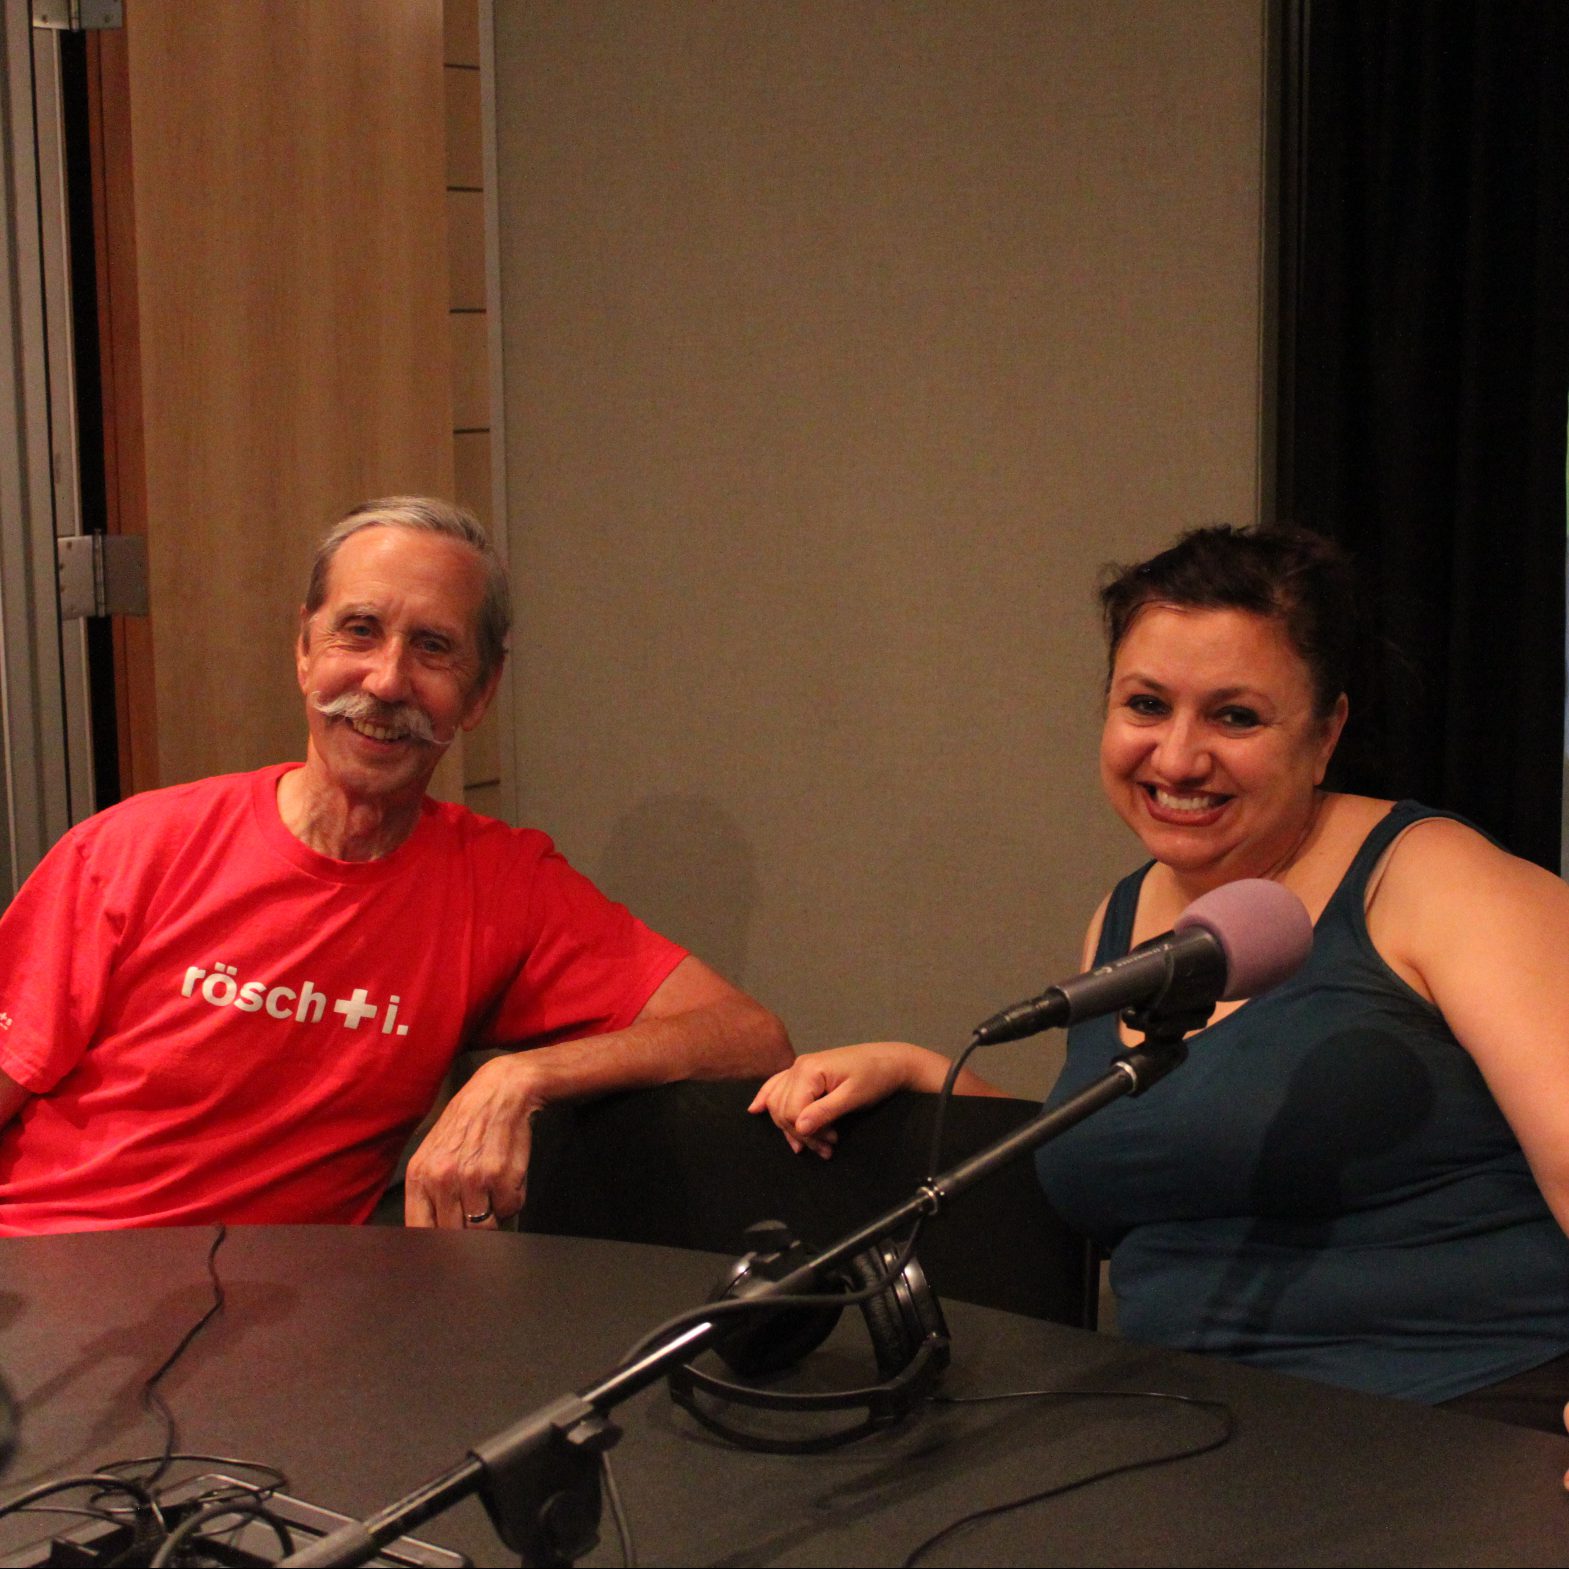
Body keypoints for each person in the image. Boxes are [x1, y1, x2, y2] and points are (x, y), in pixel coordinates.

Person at [750, 523, 1569, 1431]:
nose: (1177, 758)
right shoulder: (1122, 914)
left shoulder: (1431, 877)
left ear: (1326, 730)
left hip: (1466, 1421)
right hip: (1189, 1436)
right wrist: (920, 1072)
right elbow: (1160, 1145)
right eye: (1145, 705)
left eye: (1235, 716)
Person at [0, 497, 791, 1235]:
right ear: (306, 651)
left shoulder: (500, 885)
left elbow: (748, 1036)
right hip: (53, 1282)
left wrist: (517, 1078)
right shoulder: (135, 849)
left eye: (433, 648)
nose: (385, 682)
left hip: (282, 1333)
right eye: (359, 630)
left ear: (479, 695)